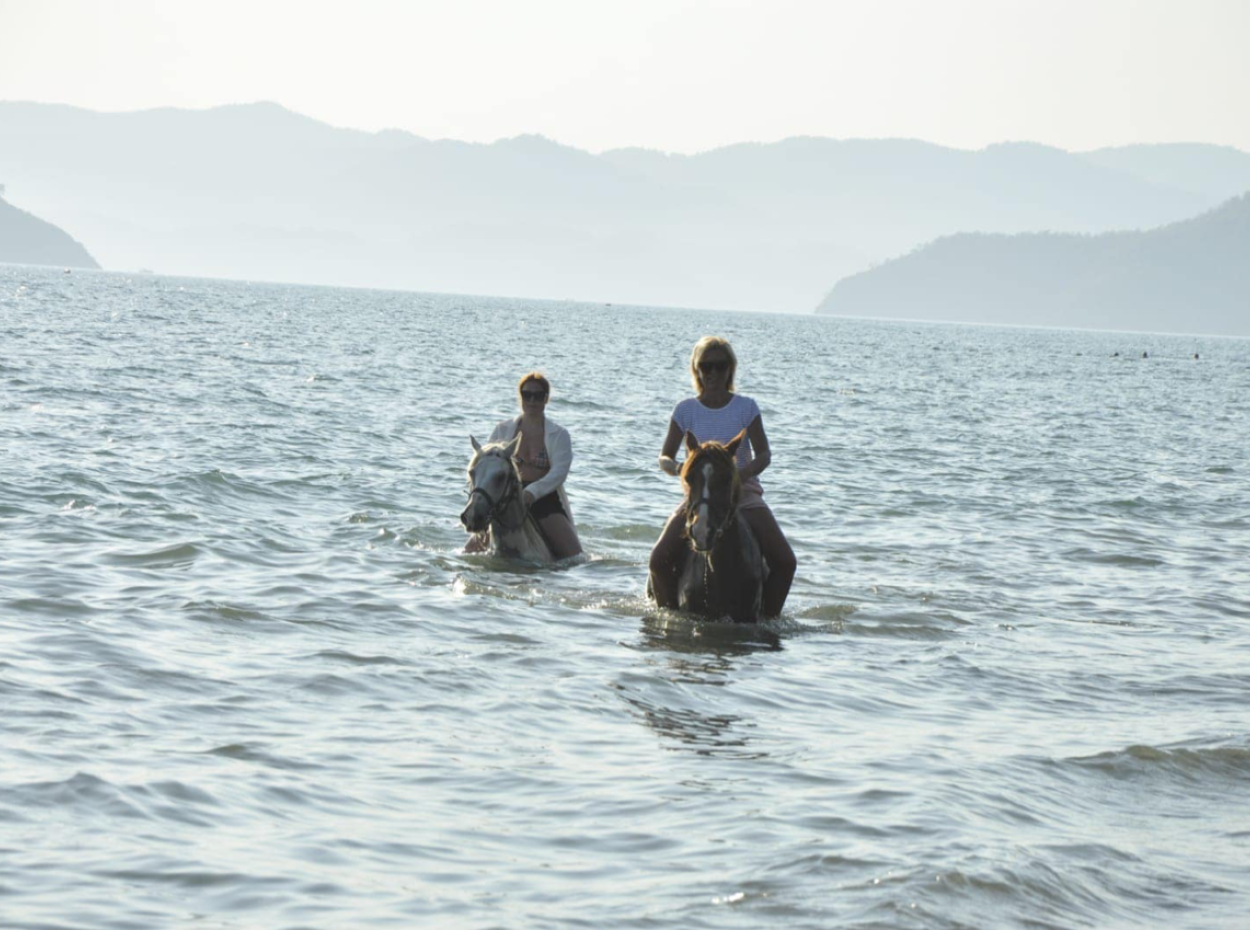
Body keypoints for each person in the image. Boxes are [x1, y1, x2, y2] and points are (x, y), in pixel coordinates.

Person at [649, 337, 796, 617]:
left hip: (742, 494)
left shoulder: (746, 407)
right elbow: (664, 456)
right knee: (658, 559)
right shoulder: (685, 410)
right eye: (706, 366)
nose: (713, 373)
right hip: (699, 496)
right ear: (697, 370)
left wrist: (739, 476)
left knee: (786, 561)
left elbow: (764, 454)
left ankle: (768, 620)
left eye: (720, 366)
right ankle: (668, 617)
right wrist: (680, 468)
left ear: (730, 369)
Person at [467, 372, 582, 559]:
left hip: (543, 498)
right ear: (520, 397)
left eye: (538, 395)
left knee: (575, 557)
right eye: (527, 394)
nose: (532, 400)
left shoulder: (559, 435)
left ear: (546, 399)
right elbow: (488, 465)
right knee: (469, 551)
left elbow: (559, 473)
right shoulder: (502, 429)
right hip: (505, 496)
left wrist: (531, 493)